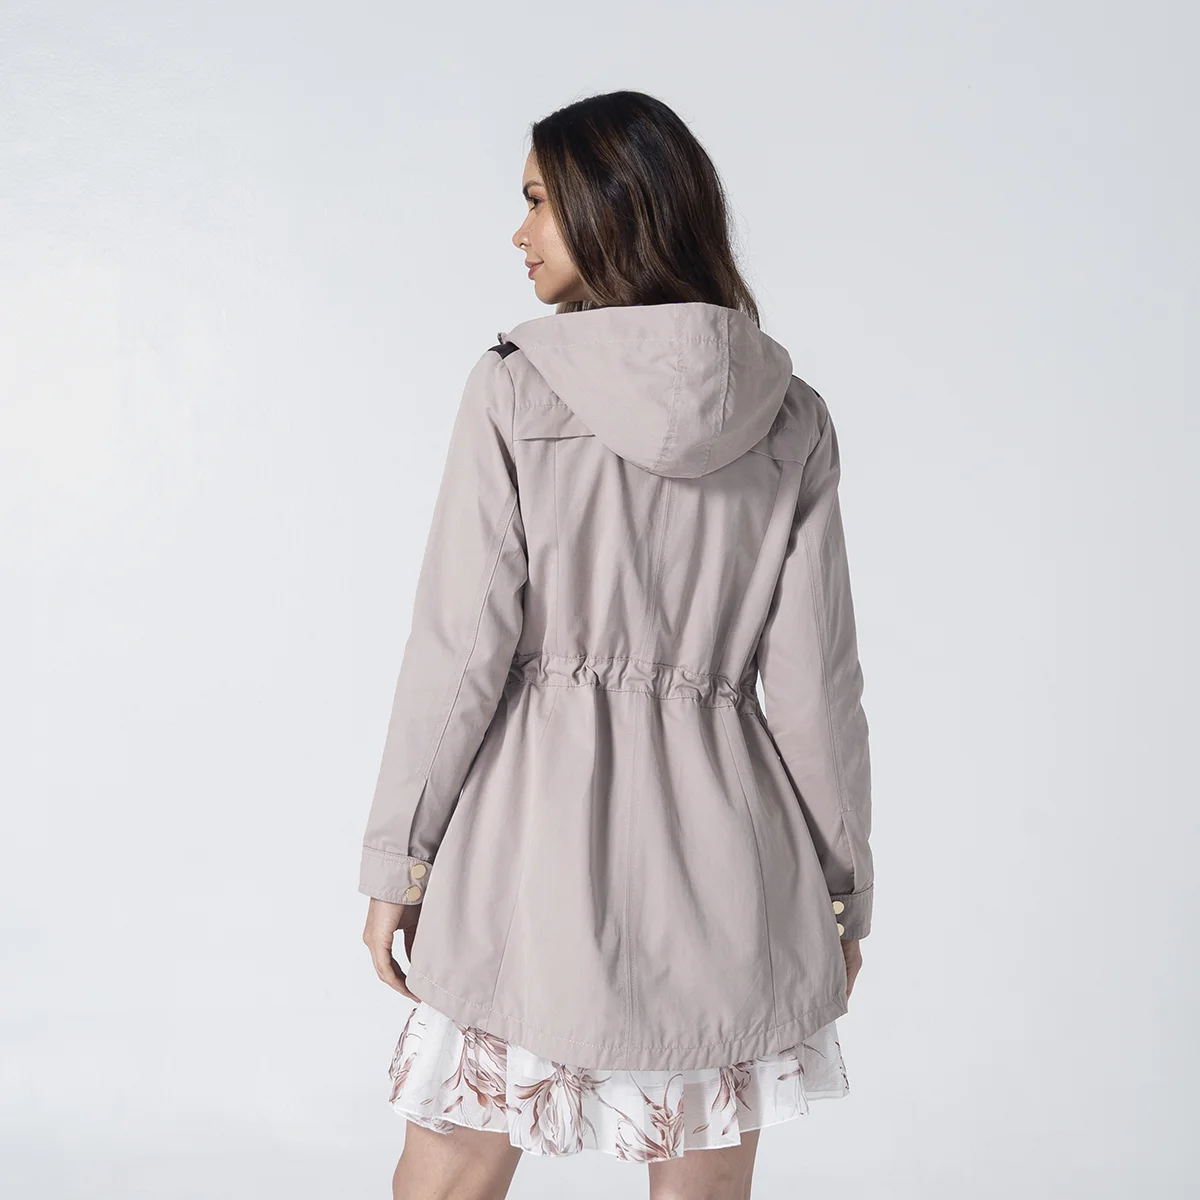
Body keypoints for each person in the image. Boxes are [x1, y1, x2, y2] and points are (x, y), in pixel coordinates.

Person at [358, 89, 874, 1200]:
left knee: (450, 1171)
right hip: (733, 861)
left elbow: (459, 650)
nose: (519, 231)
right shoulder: (791, 416)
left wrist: (401, 858)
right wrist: (842, 887)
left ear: (612, 209)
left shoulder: (514, 384)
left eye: (539, 201)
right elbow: (817, 690)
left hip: (523, 853)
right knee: (703, 1186)